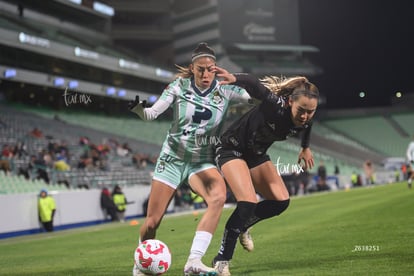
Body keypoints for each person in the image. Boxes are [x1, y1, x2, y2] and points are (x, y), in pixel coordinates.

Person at [129, 42, 251, 276]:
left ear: (216, 68)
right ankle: (141, 263)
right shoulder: (178, 86)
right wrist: (138, 110)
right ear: (192, 68)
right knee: (152, 223)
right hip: (172, 159)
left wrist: (240, 79)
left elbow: (254, 99)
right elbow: (151, 113)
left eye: (210, 68)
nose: (206, 74)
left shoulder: (225, 89)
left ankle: (194, 261)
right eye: (201, 69)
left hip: (201, 161)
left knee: (218, 196)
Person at [210, 67, 319, 275]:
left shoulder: (307, 116)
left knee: (281, 201)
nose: (305, 116)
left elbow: (308, 126)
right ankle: (222, 260)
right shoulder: (275, 106)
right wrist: (234, 78)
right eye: (301, 110)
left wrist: (305, 147)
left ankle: (244, 226)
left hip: (256, 154)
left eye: (310, 111)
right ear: (290, 102)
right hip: (231, 148)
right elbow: (253, 82)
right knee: (248, 202)